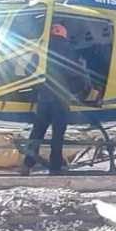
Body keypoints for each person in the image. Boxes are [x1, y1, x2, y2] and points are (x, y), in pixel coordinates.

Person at [22, 22, 81, 175]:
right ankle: (55, 167)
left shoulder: (41, 49)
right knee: (57, 133)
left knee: (37, 131)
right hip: (61, 98)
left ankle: (27, 164)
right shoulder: (69, 50)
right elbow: (75, 73)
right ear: (63, 33)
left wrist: (37, 89)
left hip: (44, 97)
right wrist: (76, 92)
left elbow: (29, 70)